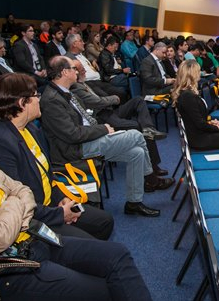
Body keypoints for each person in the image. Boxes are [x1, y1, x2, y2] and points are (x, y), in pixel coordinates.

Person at [0, 102, 152, 301]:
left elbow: (22, 189)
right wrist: (14, 201)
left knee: (117, 255)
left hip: (35, 238)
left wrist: (12, 204)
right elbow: (0, 237)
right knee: (103, 290)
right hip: (8, 266)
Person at [0, 73, 114, 240]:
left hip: (51, 203)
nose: (39, 100)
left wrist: (61, 199)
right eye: (35, 96)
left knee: (104, 221)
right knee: (102, 248)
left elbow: (46, 174)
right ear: (22, 103)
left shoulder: (30, 129)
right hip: (33, 219)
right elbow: (17, 200)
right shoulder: (0, 143)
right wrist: (59, 214)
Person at [40, 55, 168, 216]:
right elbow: (72, 134)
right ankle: (150, 178)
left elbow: (85, 119)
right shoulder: (52, 100)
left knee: (137, 153)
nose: (77, 72)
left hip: (88, 139)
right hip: (75, 149)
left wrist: (101, 129)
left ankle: (134, 203)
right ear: (65, 72)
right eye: (73, 68)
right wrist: (103, 129)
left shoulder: (66, 92)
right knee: (136, 135)